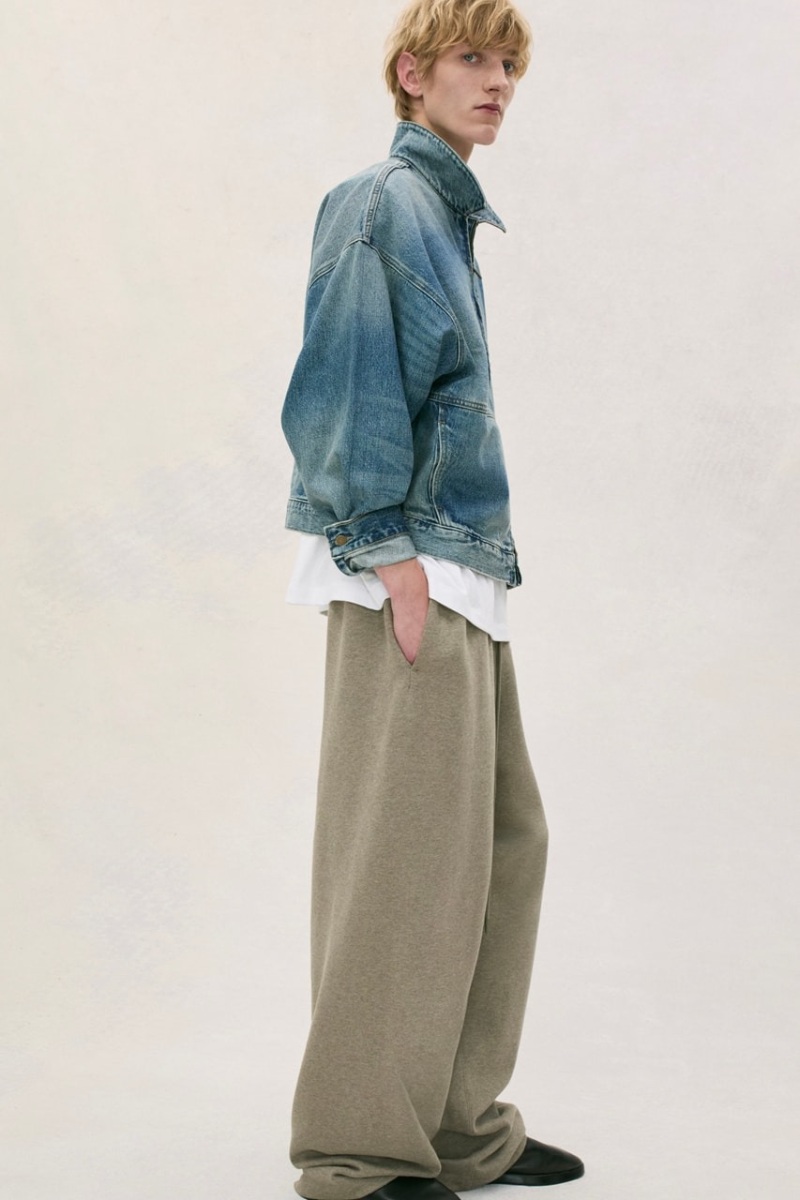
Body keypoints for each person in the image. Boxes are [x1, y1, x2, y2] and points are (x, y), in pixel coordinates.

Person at [280, 3, 584, 1198]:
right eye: (470, 57)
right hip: (405, 573)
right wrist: (383, 554)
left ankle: (456, 1129)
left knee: (499, 850)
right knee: (402, 864)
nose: (496, 79)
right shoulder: (380, 204)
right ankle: (360, 1149)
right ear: (410, 74)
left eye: (508, 63)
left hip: (464, 573)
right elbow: (340, 386)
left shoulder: (444, 216)